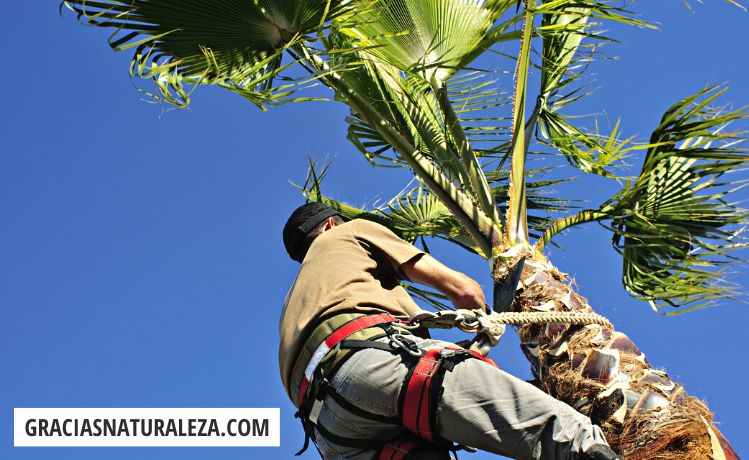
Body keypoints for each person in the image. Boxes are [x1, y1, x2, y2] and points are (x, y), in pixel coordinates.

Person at [279, 202, 619, 460]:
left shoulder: (293, 300)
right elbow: (462, 290)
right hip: (373, 368)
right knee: (565, 436)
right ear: (328, 224)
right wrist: (486, 317)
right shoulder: (347, 233)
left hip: (331, 433)